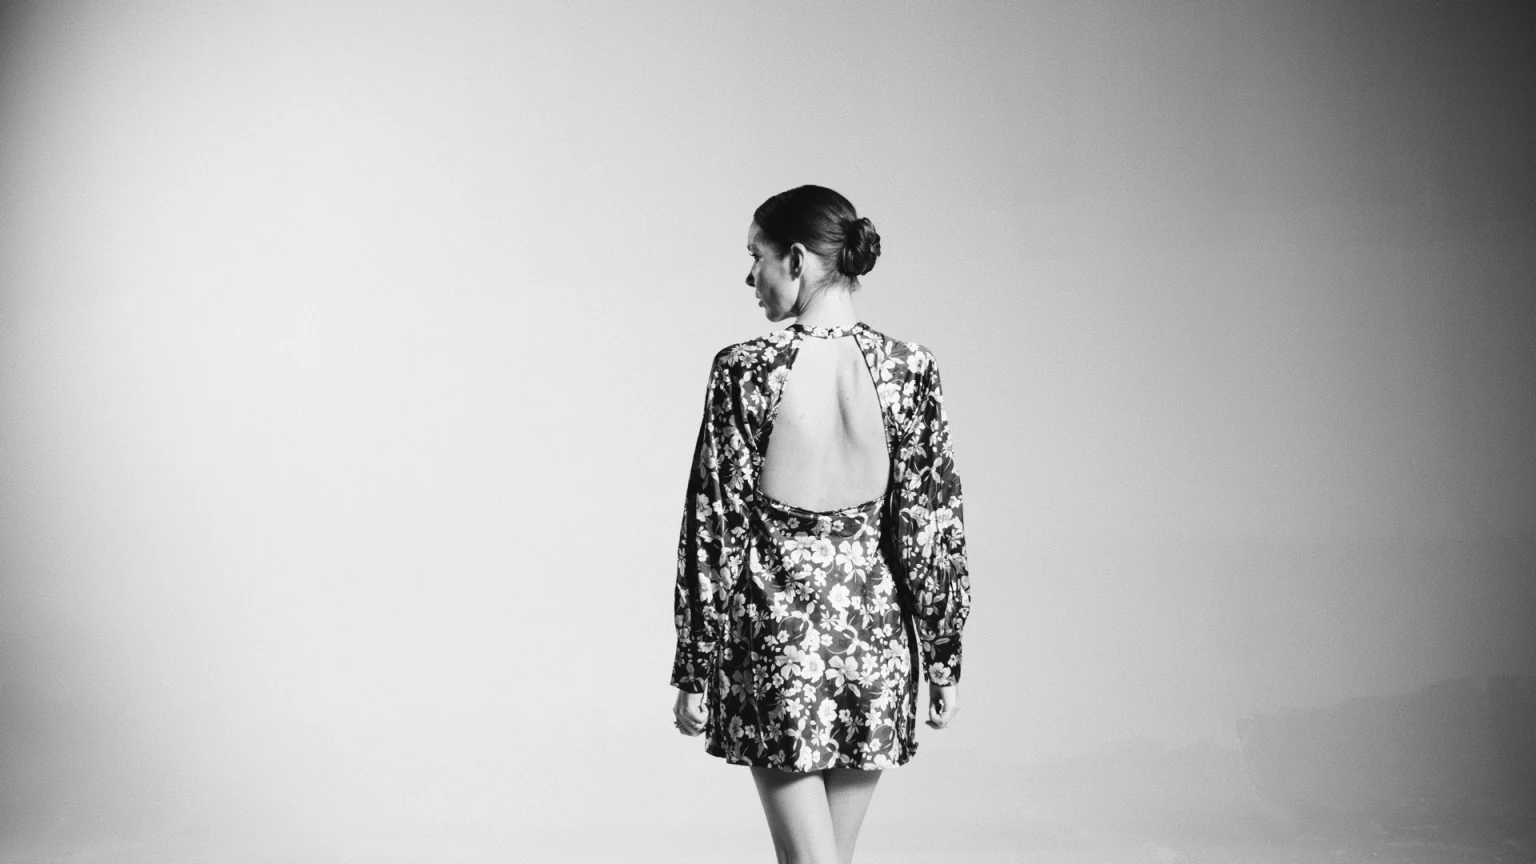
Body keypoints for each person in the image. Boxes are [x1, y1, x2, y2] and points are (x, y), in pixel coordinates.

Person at [670, 185, 971, 864]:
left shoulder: (746, 373)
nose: (750, 277)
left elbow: (714, 530)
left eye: (758, 258)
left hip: (777, 645)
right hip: (875, 648)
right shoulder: (909, 370)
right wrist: (944, 655)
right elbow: (930, 529)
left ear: (798, 259)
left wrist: (692, 664)